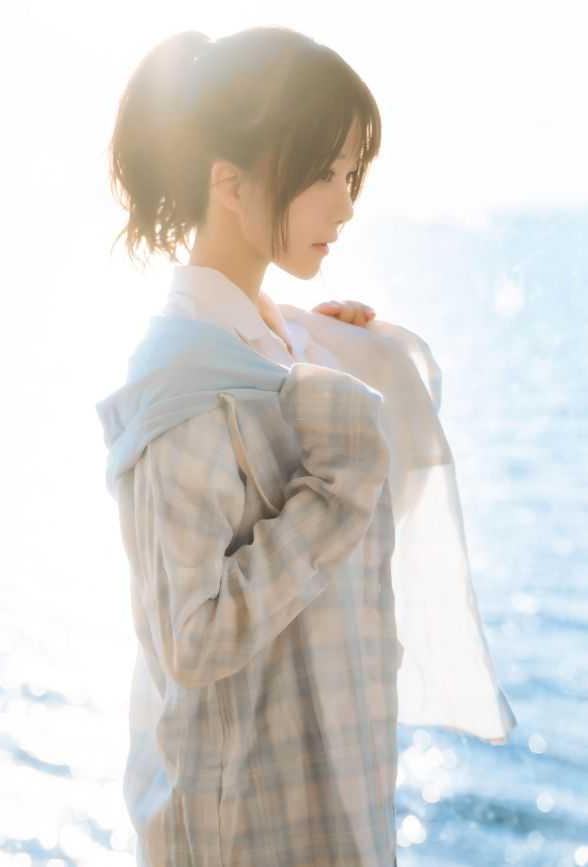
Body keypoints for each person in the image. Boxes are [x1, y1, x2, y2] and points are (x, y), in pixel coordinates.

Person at [95, 26, 516, 866]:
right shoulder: (180, 385)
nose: (347, 205)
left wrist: (327, 358)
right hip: (238, 830)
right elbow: (192, 638)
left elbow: (358, 492)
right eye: (326, 173)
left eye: (351, 175)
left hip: (315, 796)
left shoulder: (268, 345)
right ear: (231, 182)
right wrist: (332, 492)